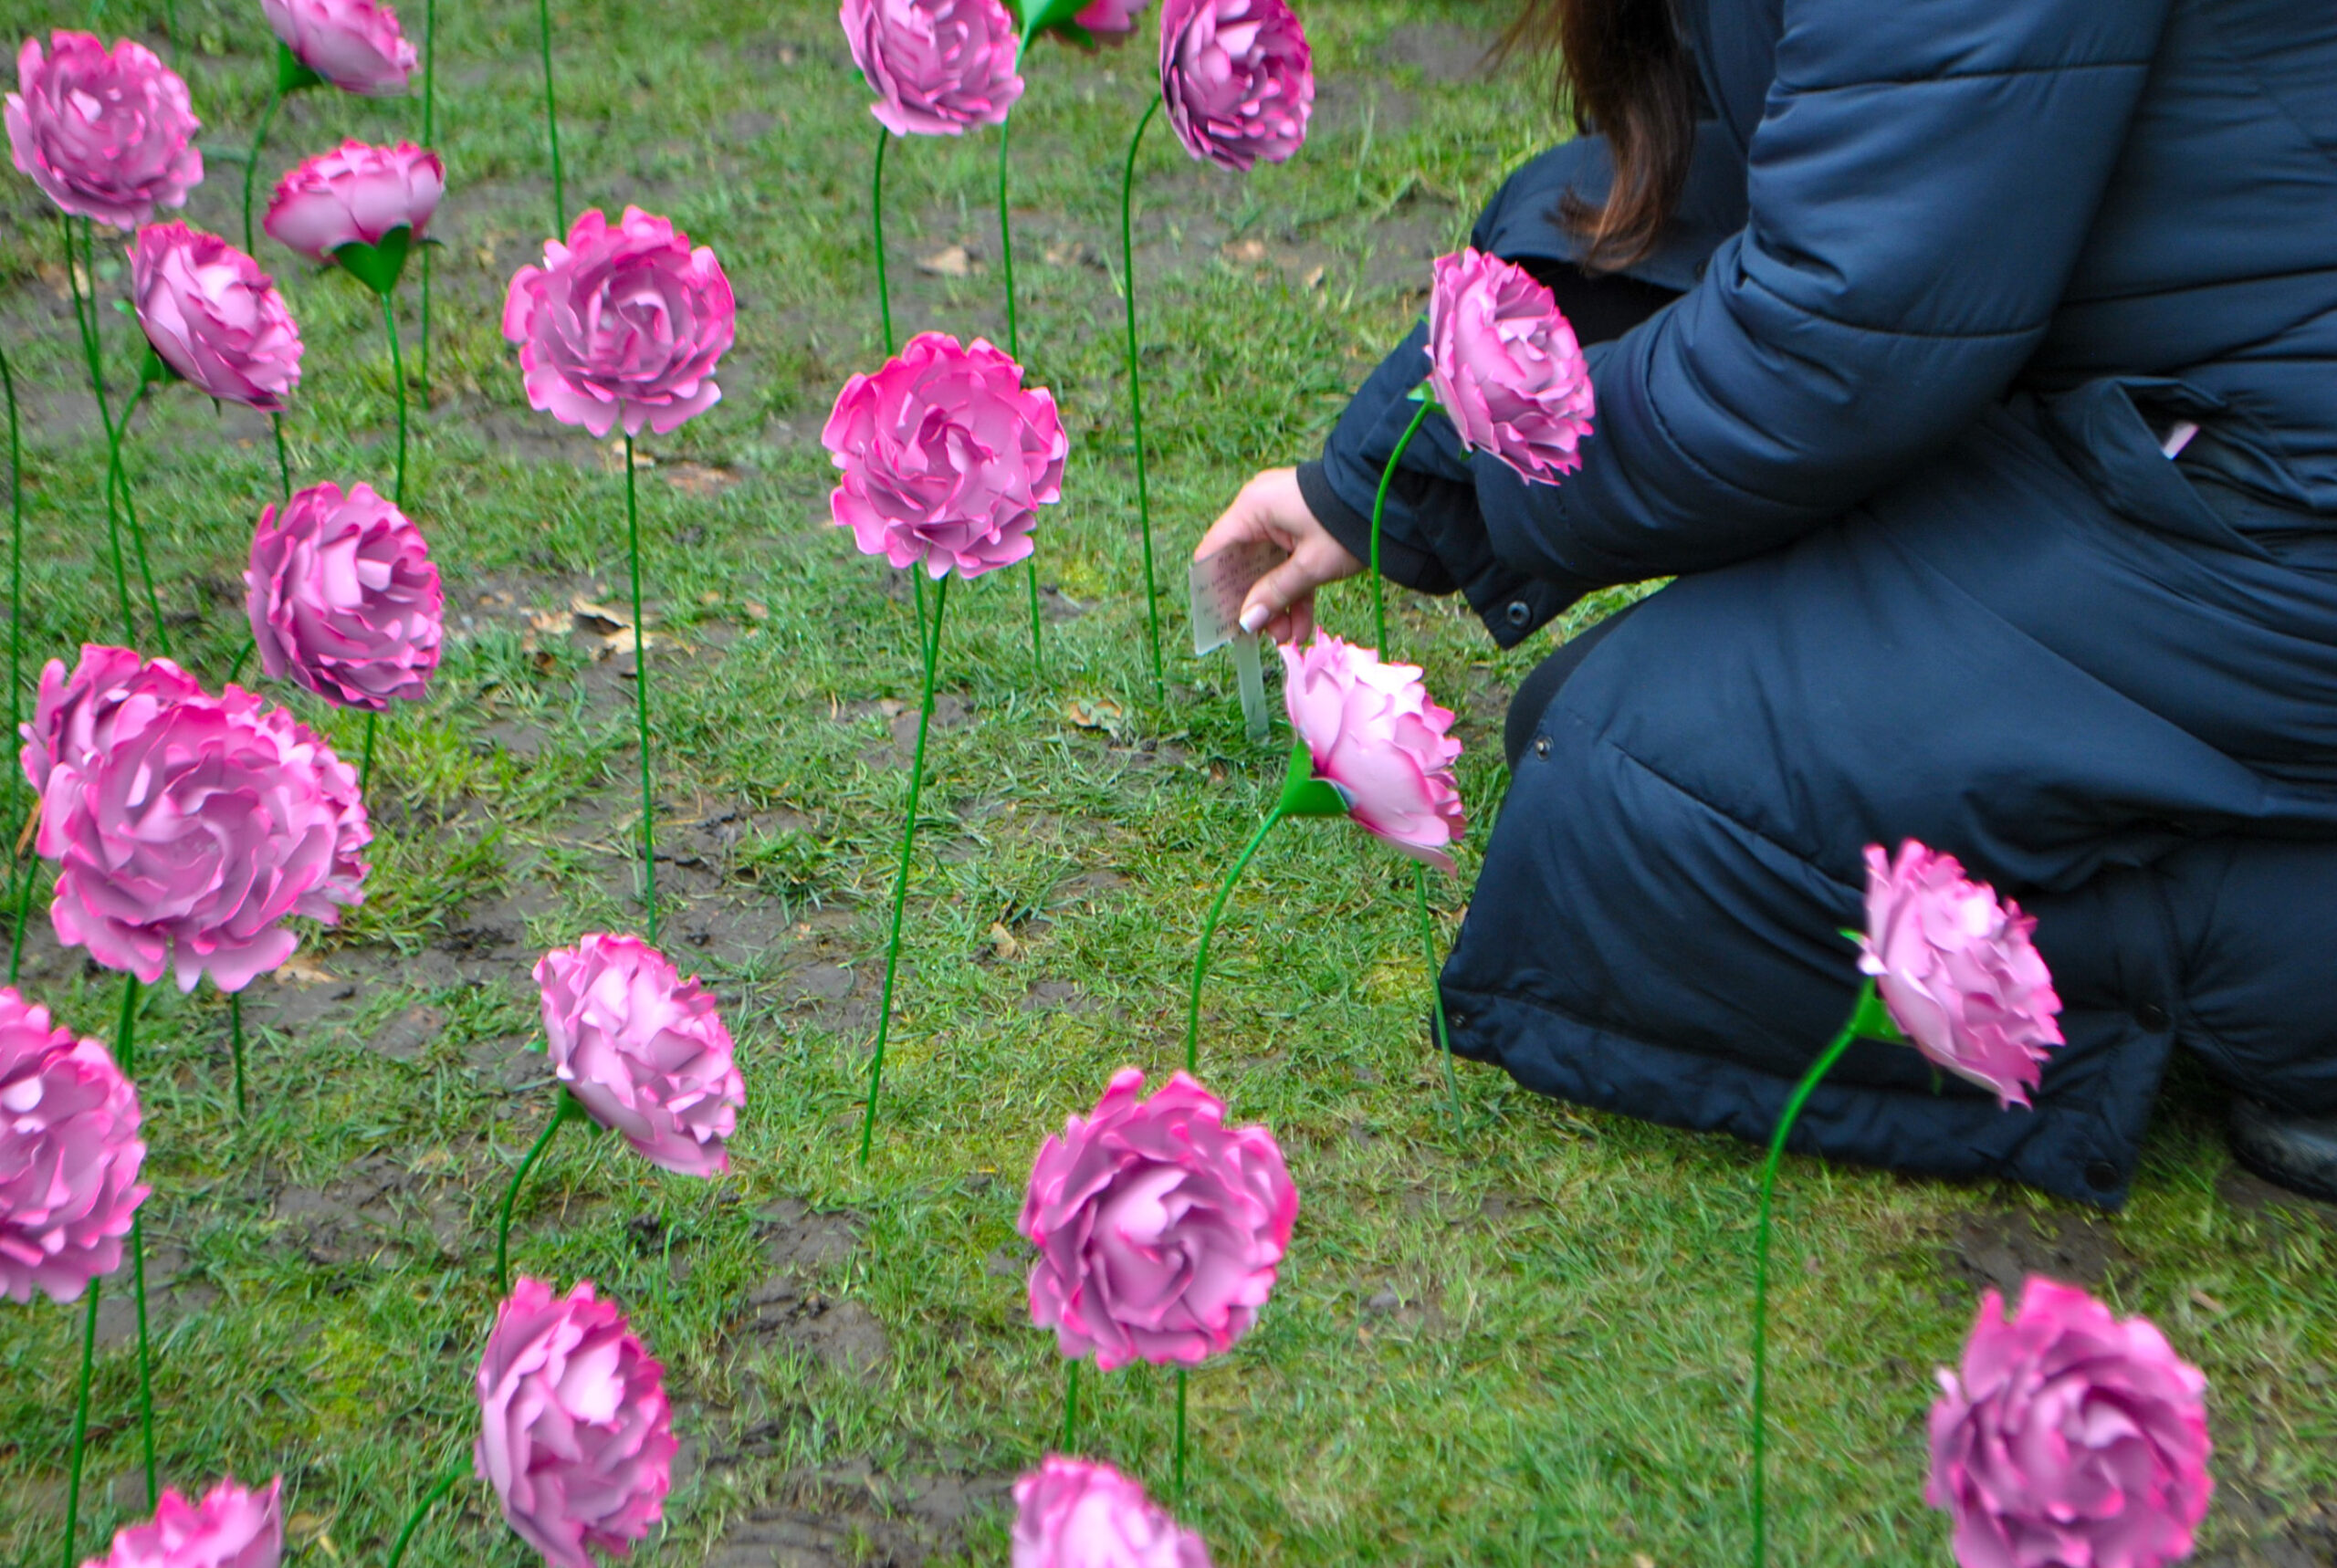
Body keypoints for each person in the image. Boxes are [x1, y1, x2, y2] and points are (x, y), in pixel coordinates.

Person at [1195, 0, 2337, 1207]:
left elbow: (1830, 349)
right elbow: (1771, 162)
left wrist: (1487, 460)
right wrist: (1393, 468)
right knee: (1616, 731)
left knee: (1644, 794)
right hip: (2171, 429)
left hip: (2267, 507)